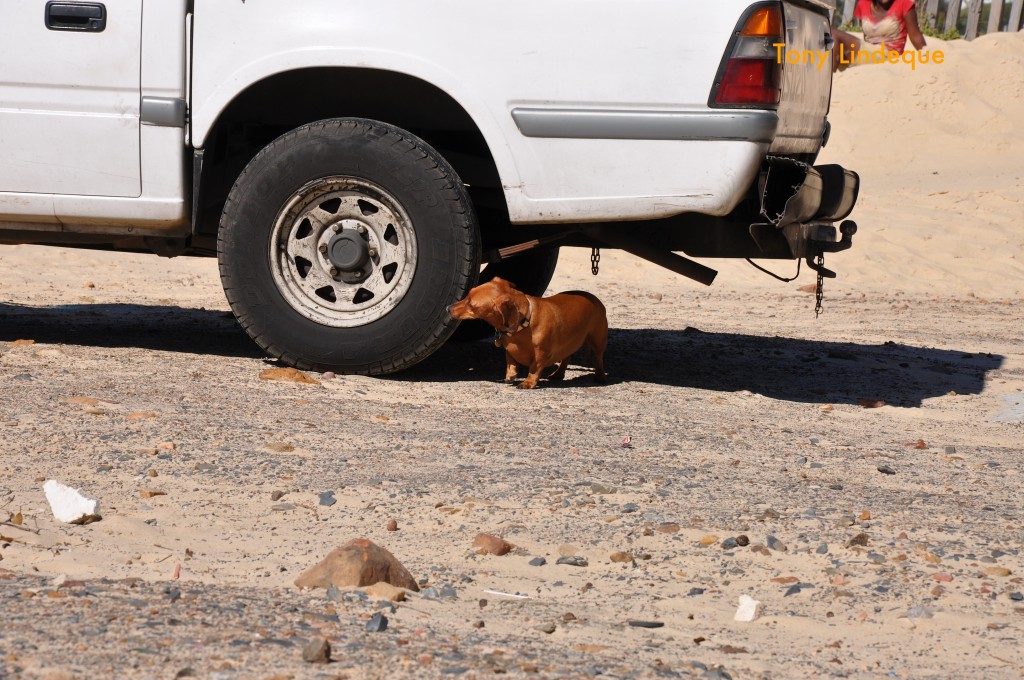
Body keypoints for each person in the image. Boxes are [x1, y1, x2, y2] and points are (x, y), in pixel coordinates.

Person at [833, 0, 928, 69]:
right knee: (829, 36)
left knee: (833, 33)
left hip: (890, 57)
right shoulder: (863, 4)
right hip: (870, 55)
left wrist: (928, 59)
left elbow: (916, 35)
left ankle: (824, 86)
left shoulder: (904, 4)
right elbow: (867, 39)